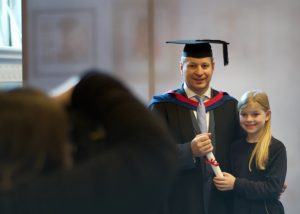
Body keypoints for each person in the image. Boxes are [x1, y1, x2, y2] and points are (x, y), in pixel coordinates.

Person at [0, 70, 177, 214]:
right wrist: (82, 89)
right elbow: (153, 153)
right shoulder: (43, 201)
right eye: (62, 136)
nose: (69, 146)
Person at [149, 39, 242, 214]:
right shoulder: (162, 107)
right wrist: (188, 151)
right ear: (181, 67)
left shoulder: (229, 106)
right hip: (179, 202)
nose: (199, 72)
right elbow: (150, 155)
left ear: (213, 67)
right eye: (192, 65)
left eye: (205, 66)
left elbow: (243, 150)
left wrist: (264, 175)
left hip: (221, 203)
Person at [213, 90, 287, 214]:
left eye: (255, 114)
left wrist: (236, 184)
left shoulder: (276, 148)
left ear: (267, 115)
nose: (249, 119)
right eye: (244, 114)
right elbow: (229, 184)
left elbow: (273, 189)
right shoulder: (235, 147)